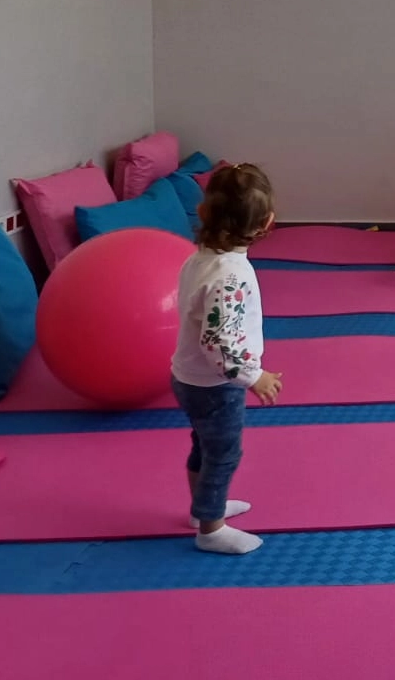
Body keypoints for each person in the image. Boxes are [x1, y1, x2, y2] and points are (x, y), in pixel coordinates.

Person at [171, 163, 283, 556]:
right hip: (215, 386)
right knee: (223, 454)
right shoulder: (229, 276)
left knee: (204, 445)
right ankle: (211, 528)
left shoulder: (200, 259)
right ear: (267, 223)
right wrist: (254, 376)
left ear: (203, 212)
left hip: (189, 377)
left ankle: (202, 507)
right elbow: (219, 343)